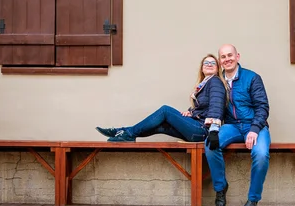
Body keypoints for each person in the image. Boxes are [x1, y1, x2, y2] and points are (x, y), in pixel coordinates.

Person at [95, 54, 228, 143]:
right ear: (202, 68)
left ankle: (126, 133)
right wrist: (191, 111)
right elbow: (204, 106)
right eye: (206, 62)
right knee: (161, 126)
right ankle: (122, 132)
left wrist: (213, 132)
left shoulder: (215, 82)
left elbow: (216, 107)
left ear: (217, 69)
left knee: (165, 111)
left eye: (213, 63)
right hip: (197, 128)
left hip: (203, 131)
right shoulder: (204, 84)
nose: (209, 64)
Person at [205, 44, 270, 206]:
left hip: (255, 126)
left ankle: (253, 199)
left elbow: (262, 107)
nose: (227, 59)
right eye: (223, 57)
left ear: (237, 56)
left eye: (230, 55)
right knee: (210, 144)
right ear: (220, 61)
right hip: (232, 126)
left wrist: (254, 129)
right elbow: (212, 106)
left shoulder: (252, 77)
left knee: (261, 154)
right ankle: (220, 189)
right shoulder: (218, 82)